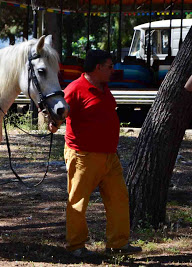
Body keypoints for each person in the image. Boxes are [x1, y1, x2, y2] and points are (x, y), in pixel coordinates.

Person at [54, 50, 142, 258]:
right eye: (110, 66)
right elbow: (58, 114)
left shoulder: (104, 87)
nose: (114, 70)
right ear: (98, 68)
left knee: (119, 198)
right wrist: (53, 123)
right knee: (77, 201)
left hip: (110, 156)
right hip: (83, 156)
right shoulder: (75, 89)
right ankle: (76, 246)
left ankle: (118, 244)